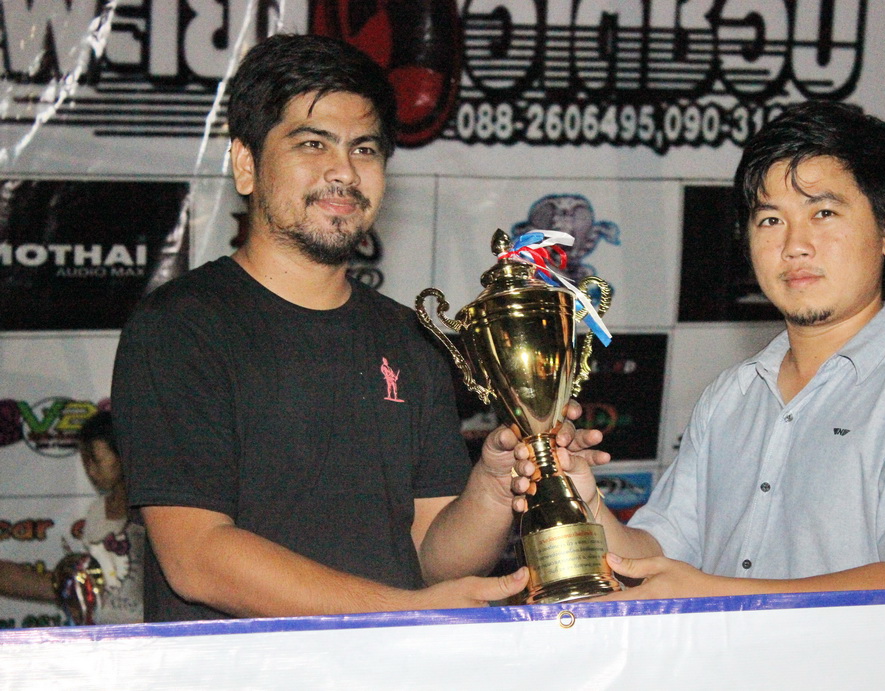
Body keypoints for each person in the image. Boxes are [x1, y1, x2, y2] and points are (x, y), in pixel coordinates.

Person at [111, 34, 603, 621]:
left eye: (364, 149)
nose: (343, 170)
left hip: (394, 660)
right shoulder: (180, 327)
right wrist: (400, 613)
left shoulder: (410, 337)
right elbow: (197, 558)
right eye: (312, 143)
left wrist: (493, 490)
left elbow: (432, 559)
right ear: (246, 164)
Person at [513, 101, 885, 598]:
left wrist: (715, 593)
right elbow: (655, 558)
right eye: (771, 220)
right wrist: (588, 502)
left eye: (824, 213)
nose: (795, 245)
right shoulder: (732, 395)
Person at [0, 411, 144, 624]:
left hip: (148, 635)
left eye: (96, 460)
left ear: (123, 455)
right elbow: (93, 583)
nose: (90, 471)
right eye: (85, 461)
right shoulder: (97, 510)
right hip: (103, 633)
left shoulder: (150, 513)